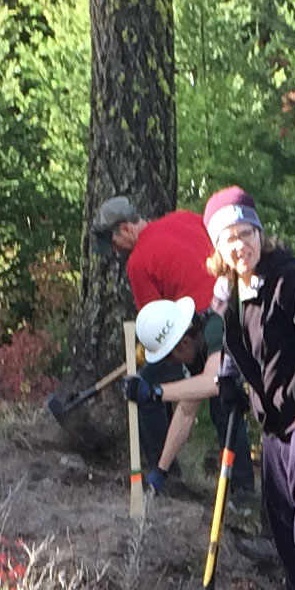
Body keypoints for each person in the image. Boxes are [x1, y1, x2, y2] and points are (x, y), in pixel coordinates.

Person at [134, 190, 295, 590]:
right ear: (216, 248)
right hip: (276, 421)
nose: (240, 246)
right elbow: (234, 347)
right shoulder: (232, 291)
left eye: (245, 234)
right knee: (281, 519)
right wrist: (233, 380)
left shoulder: (288, 281)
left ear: (259, 233)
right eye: (228, 239)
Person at [92, 192, 219, 493]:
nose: (113, 250)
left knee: (145, 387)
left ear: (125, 229)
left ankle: (166, 474)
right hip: (228, 309)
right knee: (223, 396)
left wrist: (148, 356)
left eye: (112, 242)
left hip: (195, 329)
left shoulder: (138, 263)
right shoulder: (185, 217)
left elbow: (156, 321)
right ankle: (240, 490)